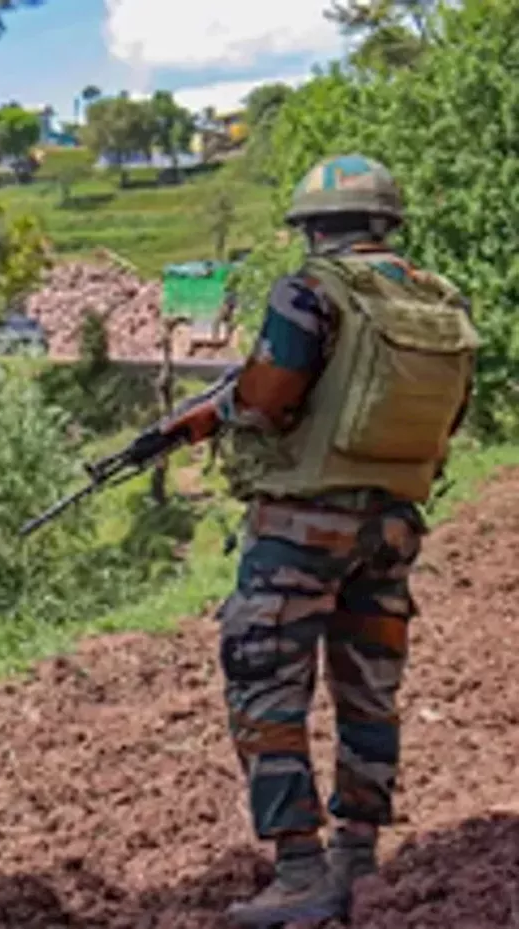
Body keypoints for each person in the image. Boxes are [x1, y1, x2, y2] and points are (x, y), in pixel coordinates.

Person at [162, 154, 478, 927]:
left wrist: (220, 410)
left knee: (264, 674)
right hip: (393, 523)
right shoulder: (441, 299)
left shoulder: (308, 292)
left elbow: (269, 399)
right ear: (385, 224)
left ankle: (300, 868)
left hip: (303, 527)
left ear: (311, 228)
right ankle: (360, 854)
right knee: (369, 686)